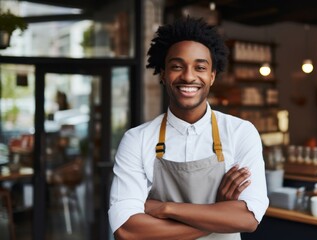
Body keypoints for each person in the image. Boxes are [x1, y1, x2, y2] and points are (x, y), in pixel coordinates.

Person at [108, 17, 269, 240]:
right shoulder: (137, 139)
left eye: (200, 67)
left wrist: (166, 208)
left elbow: (248, 218)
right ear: (163, 74)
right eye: (176, 66)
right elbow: (127, 230)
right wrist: (219, 213)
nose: (188, 76)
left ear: (212, 76)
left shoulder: (240, 133)